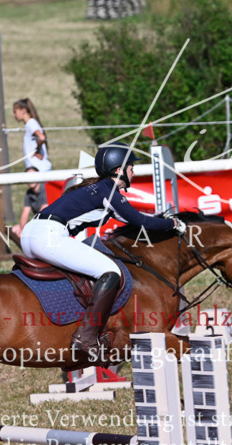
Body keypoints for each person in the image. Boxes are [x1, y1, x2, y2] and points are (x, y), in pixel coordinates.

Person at [19, 142, 186, 360]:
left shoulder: (96, 188)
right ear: (118, 170)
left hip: (31, 233)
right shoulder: (110, 190)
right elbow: (140, 220)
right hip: (49, 237)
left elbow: (130, 221)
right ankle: (86, 337)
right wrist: (172, 224)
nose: (133, 172)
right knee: (111, 271)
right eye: (130, 168)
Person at [11, 98, 51, 238]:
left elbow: (41, 136)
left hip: (39, 172)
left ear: (23, 111)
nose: (14, 115)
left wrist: (38, 150)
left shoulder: (30, 123)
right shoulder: (30, 124)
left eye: (15, 112)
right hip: (38, 173)